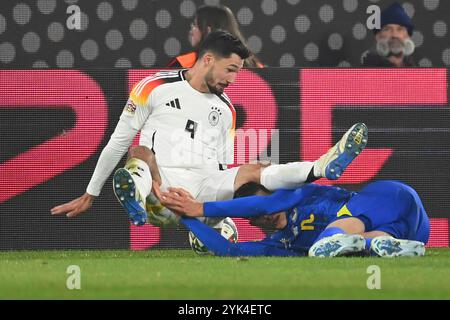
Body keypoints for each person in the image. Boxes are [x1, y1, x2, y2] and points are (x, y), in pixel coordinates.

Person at [51, 30, 368, 230]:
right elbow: (118, 141)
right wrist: (91, 193)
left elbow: (220, 168)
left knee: (253, 169)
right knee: (139, 154)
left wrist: (209, 203)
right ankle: (136, 199)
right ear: (207, 60)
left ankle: (320, 167)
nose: (233, 79)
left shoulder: (226, 109)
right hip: (159, 183)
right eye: (230, 70)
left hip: (201, 189)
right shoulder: (154, 86)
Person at [155, 180, 429, 258]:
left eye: (264, 206)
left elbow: (266, 202)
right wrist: (184, 218)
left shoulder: (299, 194)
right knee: (372, 242)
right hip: (415, 233)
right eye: (257, 216)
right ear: (252, 223)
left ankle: (336, 241)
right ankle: (381, 246)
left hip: (393, 197)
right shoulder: (281, 244)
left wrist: (198, 208)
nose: (266, 213)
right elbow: (229, 249)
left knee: (325, 241)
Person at [168, 4, 264, 68]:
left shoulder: (184, 63)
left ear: (208, 31)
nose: (191, 30)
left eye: (195, 25)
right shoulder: (255, 66)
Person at [361, 2, 416, 67]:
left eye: (400, 29)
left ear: (408, 36)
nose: (395, 35)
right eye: (387, 29)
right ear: (378, 37)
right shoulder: (366, 73)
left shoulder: (417, 74)